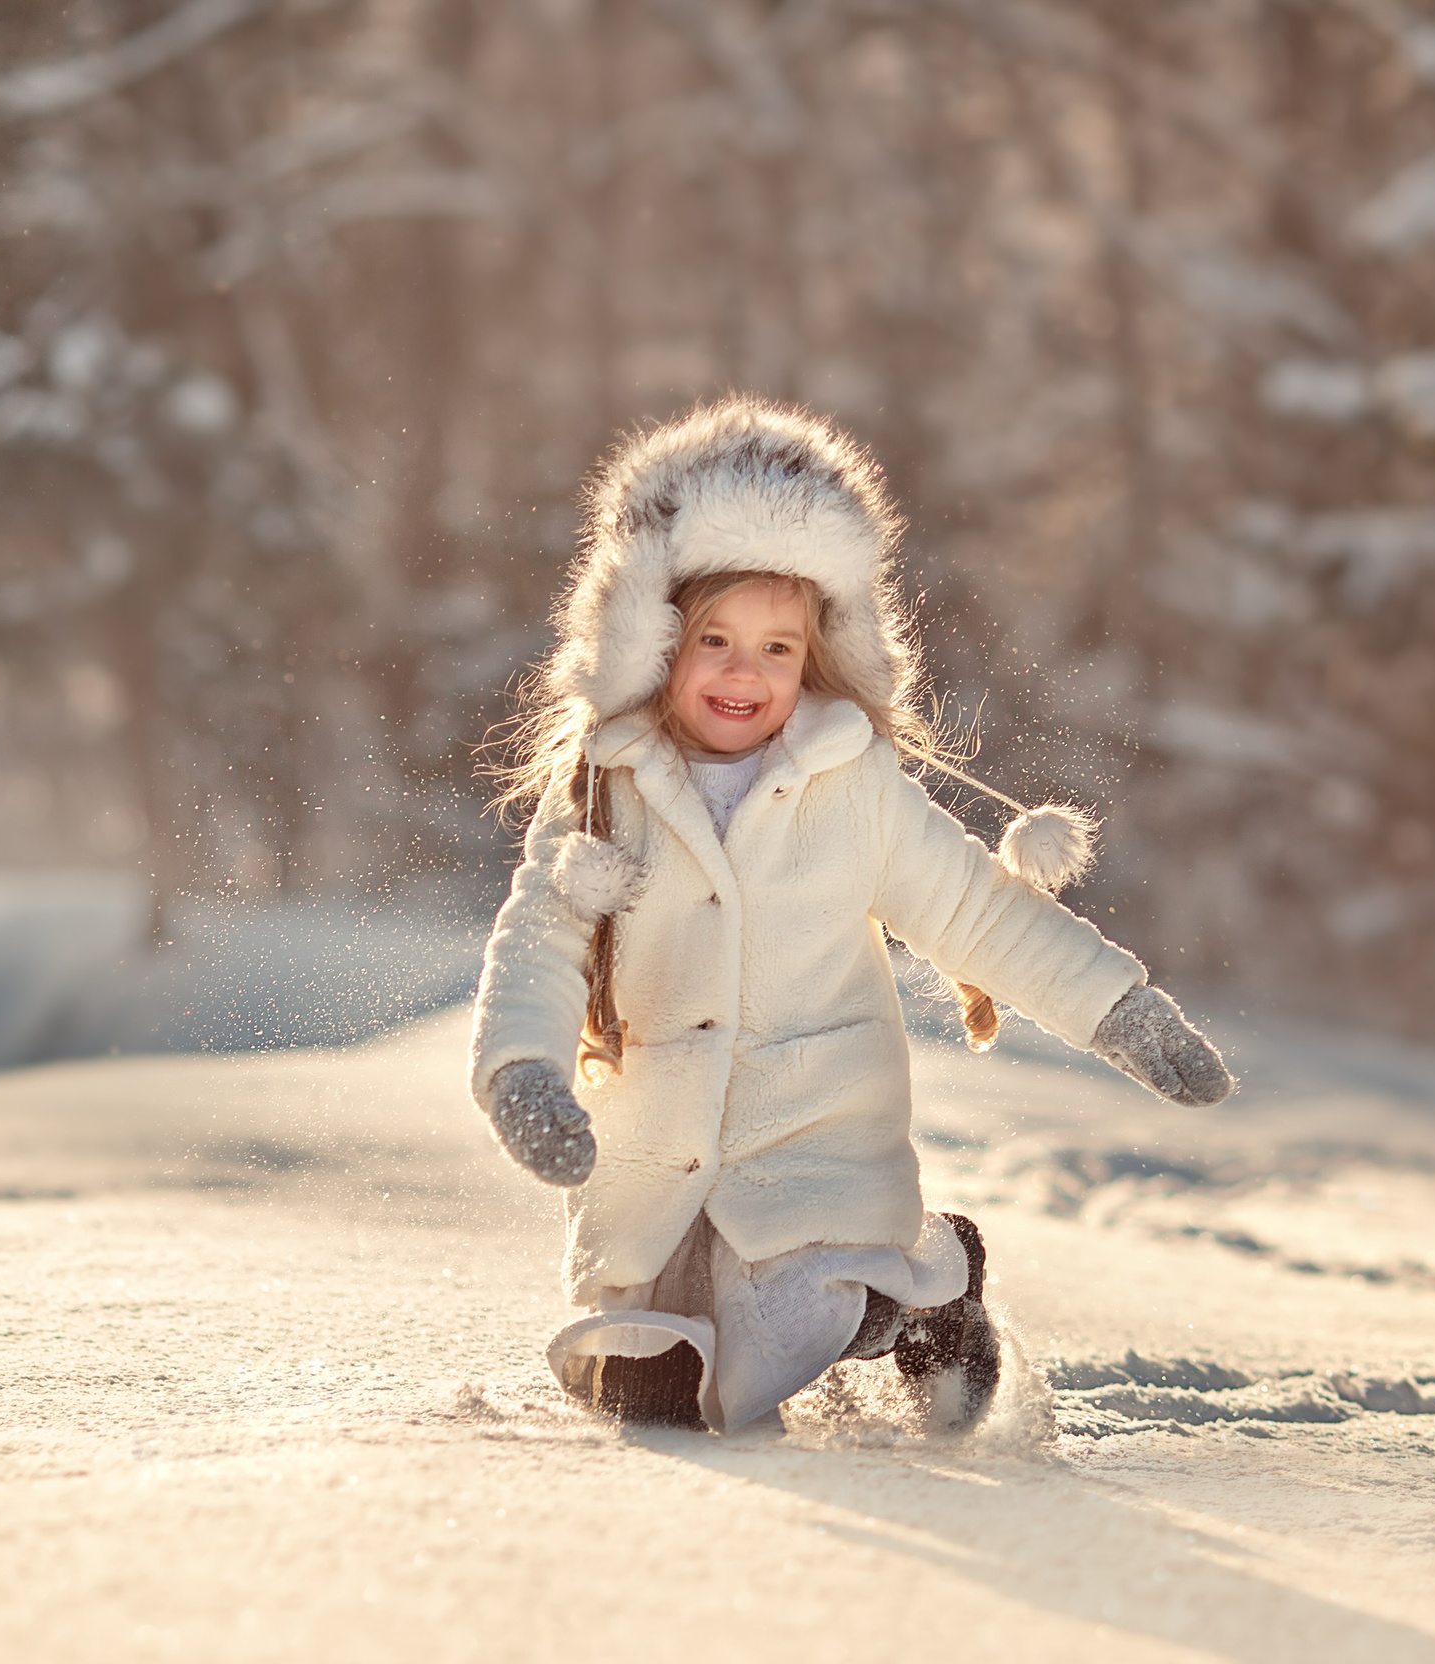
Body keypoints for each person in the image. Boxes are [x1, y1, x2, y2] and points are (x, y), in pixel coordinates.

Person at [470, 397, 1232, 1434]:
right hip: (660, 1169)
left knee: (802, 1306)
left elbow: (976, 912)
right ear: (648, 637)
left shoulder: (851, 786)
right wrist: (522, 1072)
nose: (745, 671)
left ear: (818, 654)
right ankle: (768, 1327)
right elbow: (541, 944)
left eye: (777, 648)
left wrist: (1120, 1010)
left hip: (816, 1140)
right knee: (653, 1392)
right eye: (714, 639)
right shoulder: (606, 795)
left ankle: (928, 1298)